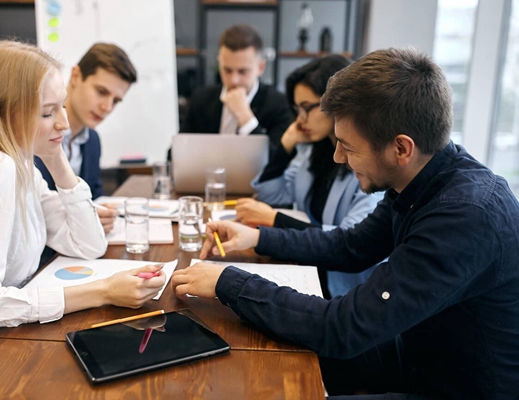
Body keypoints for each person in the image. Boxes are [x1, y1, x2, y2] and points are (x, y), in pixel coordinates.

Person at [172, 48, 519, 399]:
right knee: (249, 364)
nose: (338, 156)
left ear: (401, 149)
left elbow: (343, 328)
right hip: (417, 356)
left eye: (348, 147)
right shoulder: (420, 177)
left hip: (456, 388)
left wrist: (228, 282)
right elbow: (351, 246)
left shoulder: (464, 217)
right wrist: (258, 238)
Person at [0, 41, 165, 391]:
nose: (64, 121)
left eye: (62, 106)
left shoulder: (21, 165)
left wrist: (56, 158)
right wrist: (102, 291)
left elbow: (88, 243)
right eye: (48, 112)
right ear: (4, 112)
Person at [235, 55, 382, 299]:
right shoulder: (316, 151)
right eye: (297, 109)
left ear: (337, 102)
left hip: (345, 287)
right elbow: (271, 194)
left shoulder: (370, 164)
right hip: (308, 268)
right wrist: (285, 145)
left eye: (307, 107)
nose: (300, 119)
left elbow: (349, 242)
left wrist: (275, 219)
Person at [35, 42, 137, 234]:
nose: (107, 107)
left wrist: (101, 215)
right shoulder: (35, 132)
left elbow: (95, 198)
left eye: (115, 101)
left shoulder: (92, 141)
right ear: (75, 76)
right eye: (101, 92)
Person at [180, 24, 292, 149]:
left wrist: (245, 118)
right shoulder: (201, 99)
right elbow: (176, 152)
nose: (234, 80)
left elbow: (277, 163)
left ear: (261, 67)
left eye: (243, 71)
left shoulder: (279, 104)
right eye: (227, 70)